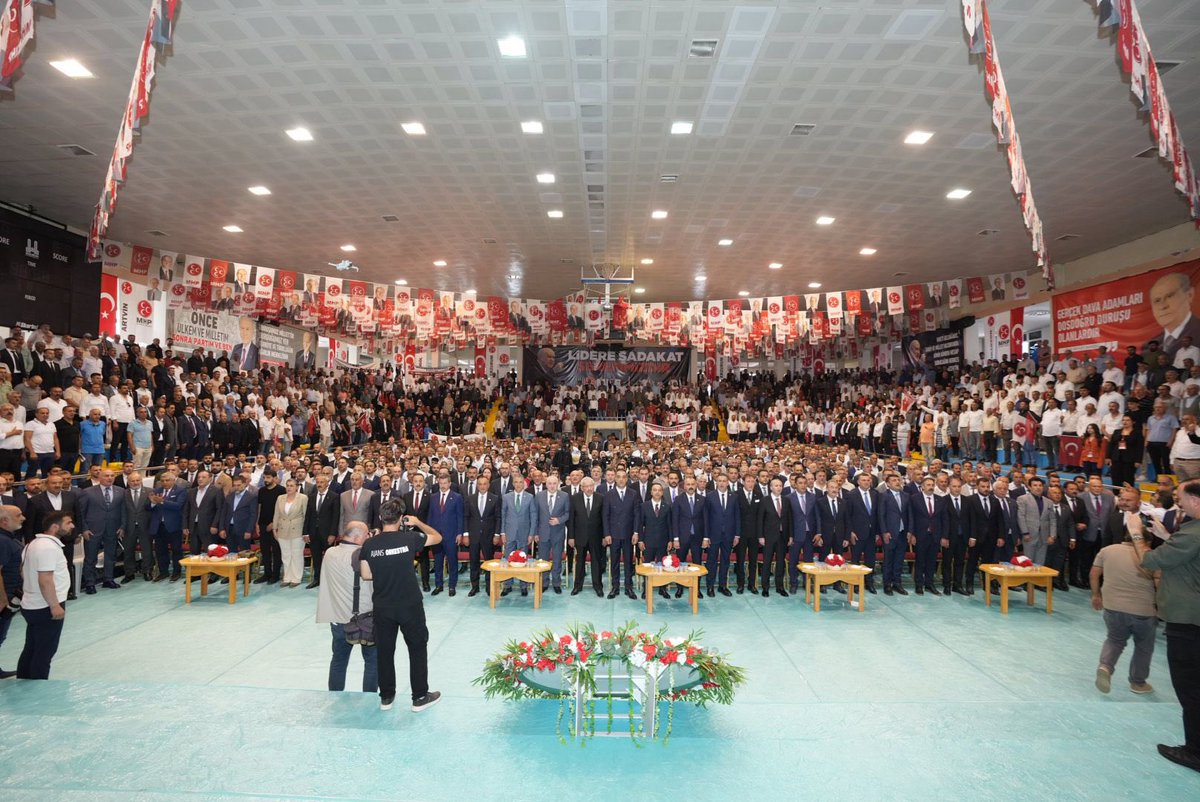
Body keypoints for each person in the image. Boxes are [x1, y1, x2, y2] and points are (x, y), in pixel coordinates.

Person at [1131, 479, 1200, 773]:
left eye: (1180, 498)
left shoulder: (1193, 533)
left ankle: (1195, 751)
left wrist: (1137, 535)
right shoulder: (1188, 534)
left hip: (1187, 619)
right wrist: (1166, 534)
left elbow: (1150, 561)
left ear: (1195, 501)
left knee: (1190, 688)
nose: (1178, 503)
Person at [360, 498, 443, 712]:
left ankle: (386, 697)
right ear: (400, 518)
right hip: (409, 605)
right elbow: (437, 537)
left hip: (383, 606)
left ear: (380, 518)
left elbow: (366, 574)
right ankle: (419, 697)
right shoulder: (410, 538)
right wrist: (418, 522)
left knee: (385, 651)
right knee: (417, 649)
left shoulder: (369, 544)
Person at [1090, 527, 1158, 696]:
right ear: (1146, 542)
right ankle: (1138, 682)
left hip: (1113, 606)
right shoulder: (1152, 556)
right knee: (1144, 646)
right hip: (1144, 609)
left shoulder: (1107, 550)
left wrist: (1096, 595)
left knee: (1114, 639)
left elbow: (1094, 573)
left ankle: (1105, 666)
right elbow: (1159, 583)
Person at [315, 520, 378, 692]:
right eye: (366, 535)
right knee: (373, 661)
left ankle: (334, 695)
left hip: (338, 618)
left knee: (339, 659)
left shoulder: (329, 553)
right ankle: (369, 697)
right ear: (358, 538)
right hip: (365, 618)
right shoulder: (364, 555)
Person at [17, 510, 73, 680]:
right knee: (45, 651)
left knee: (32, 647)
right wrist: (54, 605)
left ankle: (24, 680)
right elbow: (45, 579)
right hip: (45, 606)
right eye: (68, 523)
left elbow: (22, 571)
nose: (72, 526)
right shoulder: (48, 547)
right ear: (55, 527)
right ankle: (37, 687)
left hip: (32, 604)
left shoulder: (32, 544)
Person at [76, 468, 126, 593]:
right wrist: (84, 529)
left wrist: (122, 526)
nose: (109, 478)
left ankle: (108, 579)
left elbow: (124, 510)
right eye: (106, 476)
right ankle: (90, 583)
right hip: (93, 530)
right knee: (90, 557)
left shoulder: (121, 491)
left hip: (113, 528)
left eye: (112, 475)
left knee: (110, 555)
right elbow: (81, 513)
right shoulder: (87, 492)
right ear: (100, 477)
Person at [604, 468, 642, 600]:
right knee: (614, 562)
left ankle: (628, 587)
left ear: (627, 479)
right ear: (615, 478)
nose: (621, 479)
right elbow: (606, 516)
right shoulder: (609, 494)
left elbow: (637, 515)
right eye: (618, 477)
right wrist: (607, 533)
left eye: (623, 477)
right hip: (613, 534)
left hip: (628, 534)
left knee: (627, 562)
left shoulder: (633, 494)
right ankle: (615, 587)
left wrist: (636, 532)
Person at [498, 473, 536, 596]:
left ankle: (523, 585)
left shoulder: (530, 497)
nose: (518, 484)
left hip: (524, 534)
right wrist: (502, 532)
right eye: (516, 482)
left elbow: (533, 516)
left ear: (524, 484)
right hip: (509, 533)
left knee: (523, 559)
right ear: (513, 484)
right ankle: (507, 585)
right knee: (508, 559)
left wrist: (531, 533)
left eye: (521, 482)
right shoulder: (506, 497)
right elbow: (503, 516)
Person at [427, 472, 464, 596]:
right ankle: (439, 585)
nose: (442, 485)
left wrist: (459, 533)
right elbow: (430, 516)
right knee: (437, 561)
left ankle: (452, 586)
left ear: (449, 484)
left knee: (452, 562)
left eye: (445, 483)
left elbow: (460, 517)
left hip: (451, 535)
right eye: (440, 483)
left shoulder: (457, 497)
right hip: (436, 536)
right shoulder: (433, 497)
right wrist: (430, 533)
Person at [462, 473, 499, 597]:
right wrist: (466, 534)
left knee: (489, 562)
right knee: (474, 562)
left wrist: (497, 534)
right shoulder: (469, 498)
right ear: (477, 485)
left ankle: (489, 587)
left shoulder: (495, 498)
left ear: (488, 485)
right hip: (473, 536)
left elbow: (498, 518)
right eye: (480, 484)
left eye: (484, 484)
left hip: (489, 536)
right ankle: (475, 586)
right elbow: (466, 517)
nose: (482, 486)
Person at [569, 477, 605, 597]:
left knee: (596, 562)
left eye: (591, 486)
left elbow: (604, 519)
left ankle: (598, 586)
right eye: (587, 486)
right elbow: (571, 520)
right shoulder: (575, 498)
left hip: (596, 537)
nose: (589, 488)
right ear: (582, 487)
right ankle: (577, 586)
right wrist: (571, 537)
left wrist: (605, 536)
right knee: (580, 562)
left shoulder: (600, 498)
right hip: (580, 536)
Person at [534, 474, 569, 593]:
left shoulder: (564, 496)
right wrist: (535, 533)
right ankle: (544, 582)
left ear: (558, 483)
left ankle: (556, 583)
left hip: (558, 533)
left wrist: (559, 520)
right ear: (546, 484)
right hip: (542, 533)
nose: (552, 486)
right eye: (549, 483)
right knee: (543, 560)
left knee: (557, 559)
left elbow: (568, 513)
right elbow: (535, 516)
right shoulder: (539, 496)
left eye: (554, 483)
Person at [274, 478, 308, 587]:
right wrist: (275, 529)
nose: (289, 487)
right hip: (282, 530)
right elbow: (276, 514)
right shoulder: (280, 498)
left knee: (296, 554)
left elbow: (306, 516)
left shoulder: (303, 498)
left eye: (292, 485)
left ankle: (296, 578)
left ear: (297, 487)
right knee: (286, 555)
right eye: (287, 485)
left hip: (297, 530)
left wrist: (306, 532)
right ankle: (287, 577)